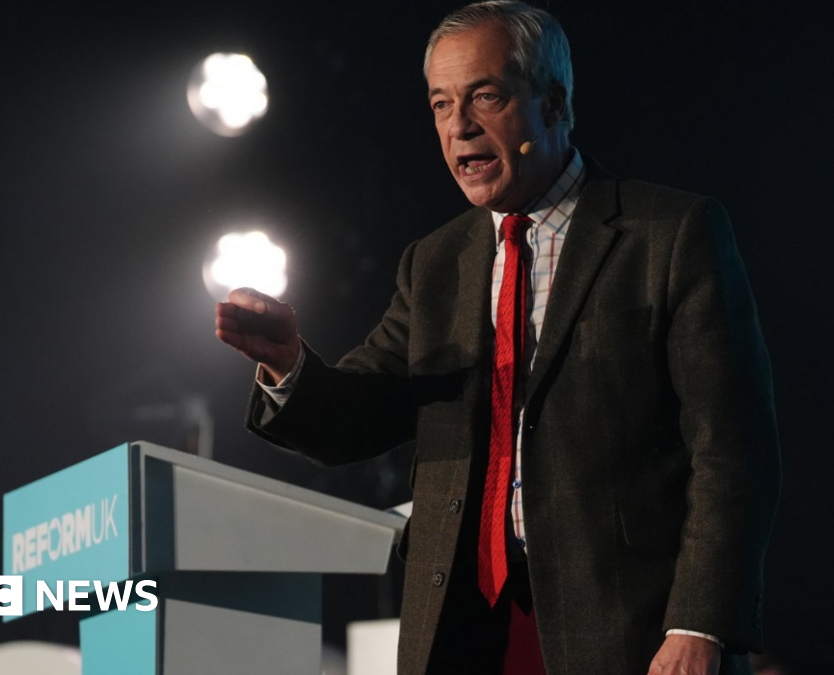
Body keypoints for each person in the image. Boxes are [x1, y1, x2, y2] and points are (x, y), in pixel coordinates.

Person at [214, 2, 781, 674]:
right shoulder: (435, 264)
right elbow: (356, 416)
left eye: (486, 96)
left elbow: (733, 453)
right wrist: (287, 363)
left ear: (553, 101)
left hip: (629, 630)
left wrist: (699, 624)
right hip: (464, 634)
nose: (460, 127)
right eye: (441, 104)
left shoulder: (670, 235)